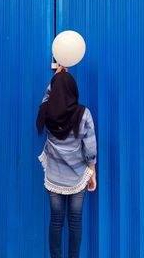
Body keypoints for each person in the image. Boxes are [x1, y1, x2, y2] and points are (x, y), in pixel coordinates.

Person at [36, 65, 97, 258]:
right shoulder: (83, 113)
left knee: (56, 221)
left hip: (54, 177)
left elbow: (46, 99)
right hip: (78, 177)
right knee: (75, 221)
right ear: (73, 90)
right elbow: (90, 147)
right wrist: (92, 172)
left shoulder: (46, 112)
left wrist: (55, 78)